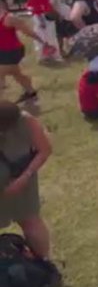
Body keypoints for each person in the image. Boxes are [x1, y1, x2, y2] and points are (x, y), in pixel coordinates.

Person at [0, 99, 53, 258]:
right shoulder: (26, 119)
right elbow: (44, 151)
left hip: (20, 179)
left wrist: (24, 178)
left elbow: (44, 150)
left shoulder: (25, 120)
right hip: (21, 177)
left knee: (31, 221)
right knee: (31, 220)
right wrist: (25, 177)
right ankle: (43, 264)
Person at [0, 0, 49, 103]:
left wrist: (42, 42)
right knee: (16, 73)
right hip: (2, 51)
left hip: (11, 51)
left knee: (1, 75)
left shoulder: (9, 18)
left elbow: (27, 31)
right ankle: (30, 92)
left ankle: (3, 108)